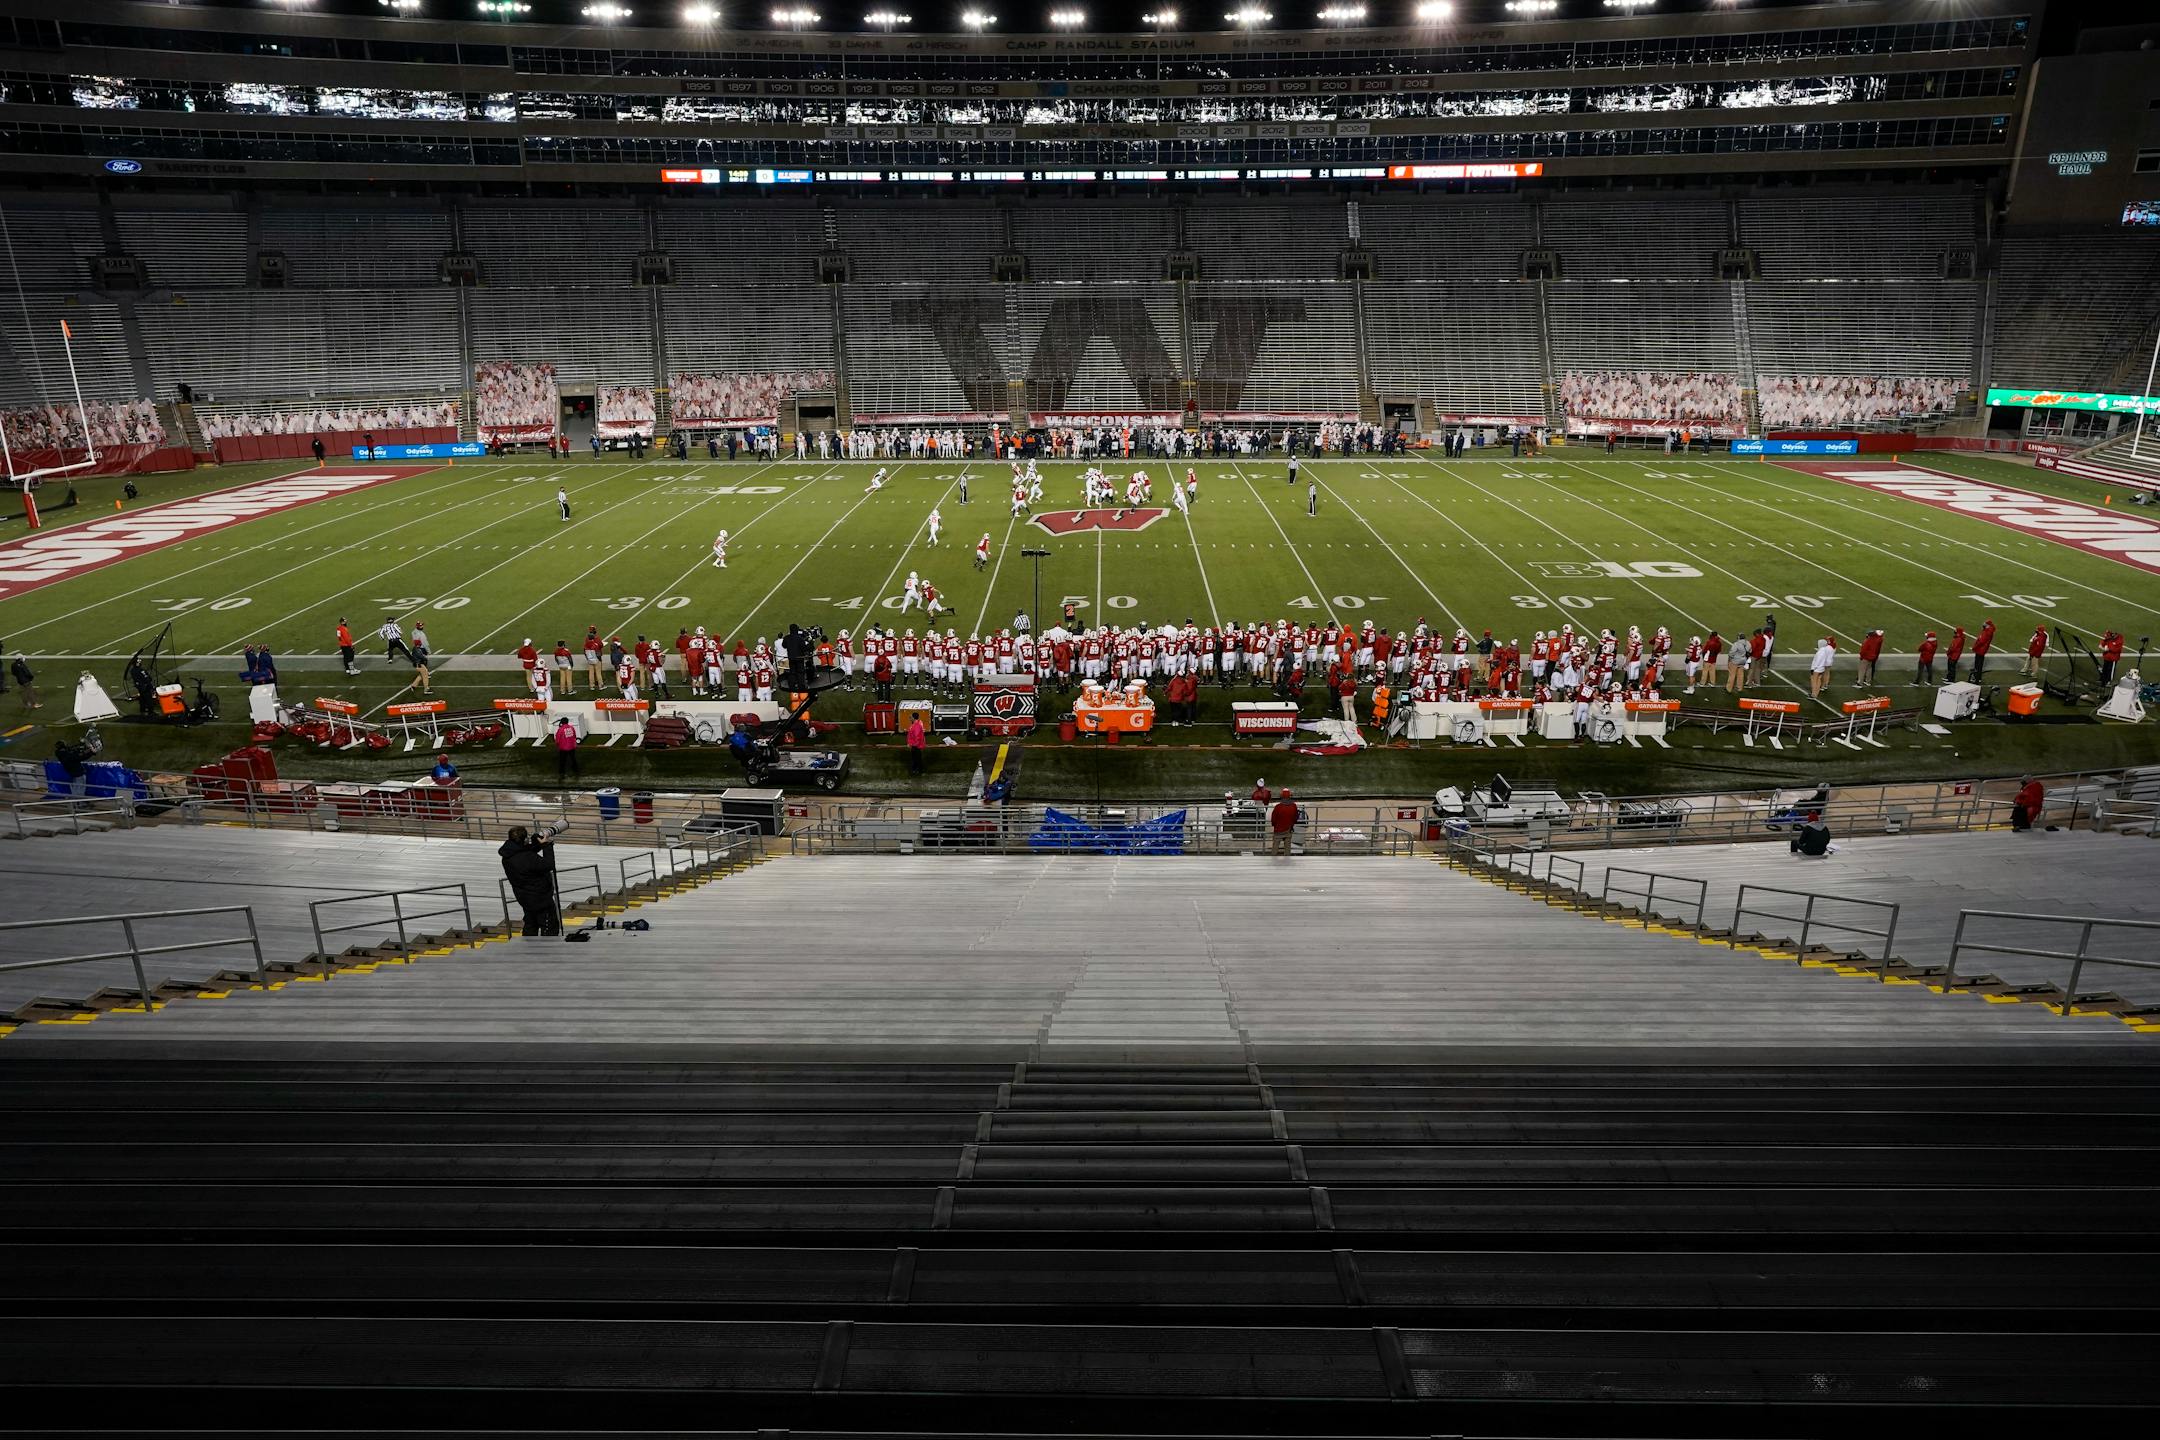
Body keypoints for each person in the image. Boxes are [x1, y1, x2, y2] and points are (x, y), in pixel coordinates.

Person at [498, 821, 565, 937]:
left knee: (531, 924)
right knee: (550, 926)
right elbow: (548, 865)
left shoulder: (508, 856)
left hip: (524, 898)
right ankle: (549, 951)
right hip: (540, 898)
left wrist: (535, 843)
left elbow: (524, 854)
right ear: (524, 840)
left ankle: (528, 949)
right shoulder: (527, 858)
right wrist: (546, 846)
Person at [1268, 788, 1298, 856]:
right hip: (1288, 829)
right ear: (1289, 796)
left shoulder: (1278, 807)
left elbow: (1273, 819)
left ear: (1282, 797)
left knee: (1275, 847)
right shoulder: (1293, 806)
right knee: (1287, 847)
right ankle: (1287, 862)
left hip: (1278, 830)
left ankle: (1273, 860)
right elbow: (1296, 818)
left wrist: (1275, 825)